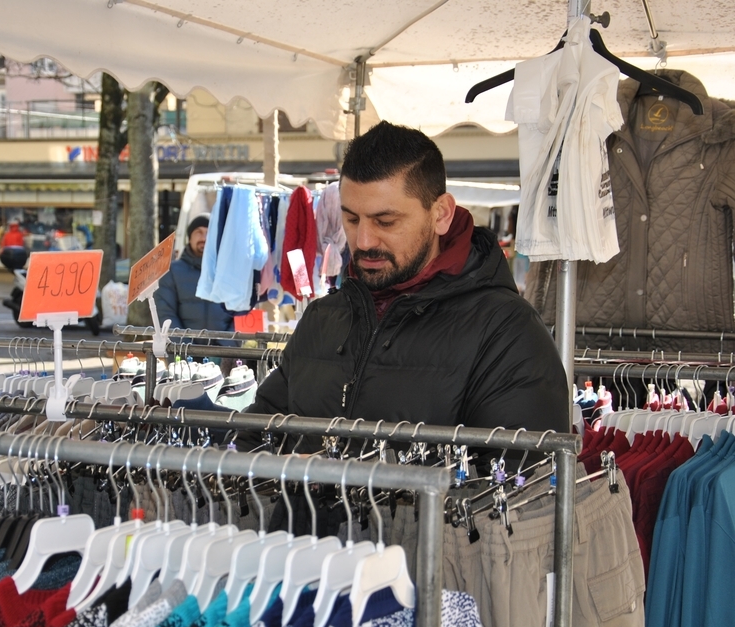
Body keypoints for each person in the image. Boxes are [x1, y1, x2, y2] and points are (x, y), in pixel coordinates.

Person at [243, 122, 568, 447]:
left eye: (386, 221)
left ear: (441, 214)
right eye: (352, 220)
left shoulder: (507, 332)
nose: (365, 241)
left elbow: (522, 482)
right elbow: (256, 437)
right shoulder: (320, 319)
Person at [153, 214, 234, 334]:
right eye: (198, 232)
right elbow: (166, 314)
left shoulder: (230, 272)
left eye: (209, 233)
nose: (204, 238)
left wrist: (226, 346)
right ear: (189, 238)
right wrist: (184, 347)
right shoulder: (172, 272)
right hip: (183, 350)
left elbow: (239, 314)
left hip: (223, 350)